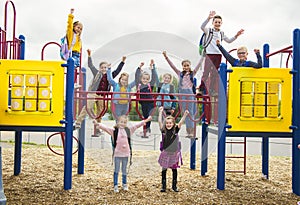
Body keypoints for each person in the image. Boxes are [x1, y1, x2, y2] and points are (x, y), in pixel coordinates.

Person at [93, 115, 152, 193]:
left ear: (126, 123)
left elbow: (136, 125)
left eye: (124, 122)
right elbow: (105, 128)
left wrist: (146, 120)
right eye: (121, 122)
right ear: (118, 122)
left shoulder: (128, 130)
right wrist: (97, 124)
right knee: (116, 170)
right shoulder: (114, 130)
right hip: (117, 154)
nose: (123, 123)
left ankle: (124, 184)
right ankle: (115, 185)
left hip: (126, 154)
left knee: (124, 170)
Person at [74, 49, 126, 131]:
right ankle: (78, 122)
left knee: (100, 111)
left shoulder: (110, 75)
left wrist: (122, 61)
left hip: (103, 95)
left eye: (105, 67)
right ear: (99, 68)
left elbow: (118, 70)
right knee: (88, 107)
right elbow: (90, 65)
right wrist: (89, 55)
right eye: (102, 68)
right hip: (93, 93)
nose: (104, 69)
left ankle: (97, 128)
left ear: (108, 68)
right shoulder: (96, 73)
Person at [199, 10, 244, 96]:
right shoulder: (209, 31)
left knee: (215, 73)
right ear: (213, 23)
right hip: (209, 54)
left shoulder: (221, 33)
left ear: (221, 23)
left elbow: (229, 41)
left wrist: (236, 35)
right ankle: (201, 89)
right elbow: (202, 27)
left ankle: (212, 90)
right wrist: (208, 18)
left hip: (218, 55)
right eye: (216, 22)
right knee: (206, 72)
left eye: (219, 22)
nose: (217, 23)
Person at [163, 51, 202, 137]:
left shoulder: (192, 73)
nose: (186, 67)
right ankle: (188, 131)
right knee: (185, 112)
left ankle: (191, 131)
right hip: (182, 94)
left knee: (190, 112)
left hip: (190, 94)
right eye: (184, 65)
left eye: (187, 65)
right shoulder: (179, 73)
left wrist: (203, 57)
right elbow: (172, 66)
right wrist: (166, 57)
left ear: (190, 66)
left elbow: (198, 65)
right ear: (182, 66)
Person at [157, 106, 189, 192]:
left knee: (174, 170)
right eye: (167, 123)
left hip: (174, 153)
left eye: (170, 123)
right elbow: (159, 121)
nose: (168, 125)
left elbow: (181, 122)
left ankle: (174, 186)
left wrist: (185, 115)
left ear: (173, 123)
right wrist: (160, 112)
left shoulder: (175, 130)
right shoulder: (163, 130)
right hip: (166, 153)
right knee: (164, 169)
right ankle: (163, 186)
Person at [135, 59, 159, 137]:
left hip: (150, 103)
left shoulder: (150, 85)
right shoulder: (139, 84)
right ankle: (145, 130)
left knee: (148, 116)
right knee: (144, 117)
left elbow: (154, 77)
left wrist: (152, 67)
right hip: (143, 103)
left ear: (148, 80)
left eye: (147, 79)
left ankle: (148, 130)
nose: (145, 80)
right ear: (141, 79)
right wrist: (139, 67)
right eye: (143, 79)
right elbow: (136, 75)